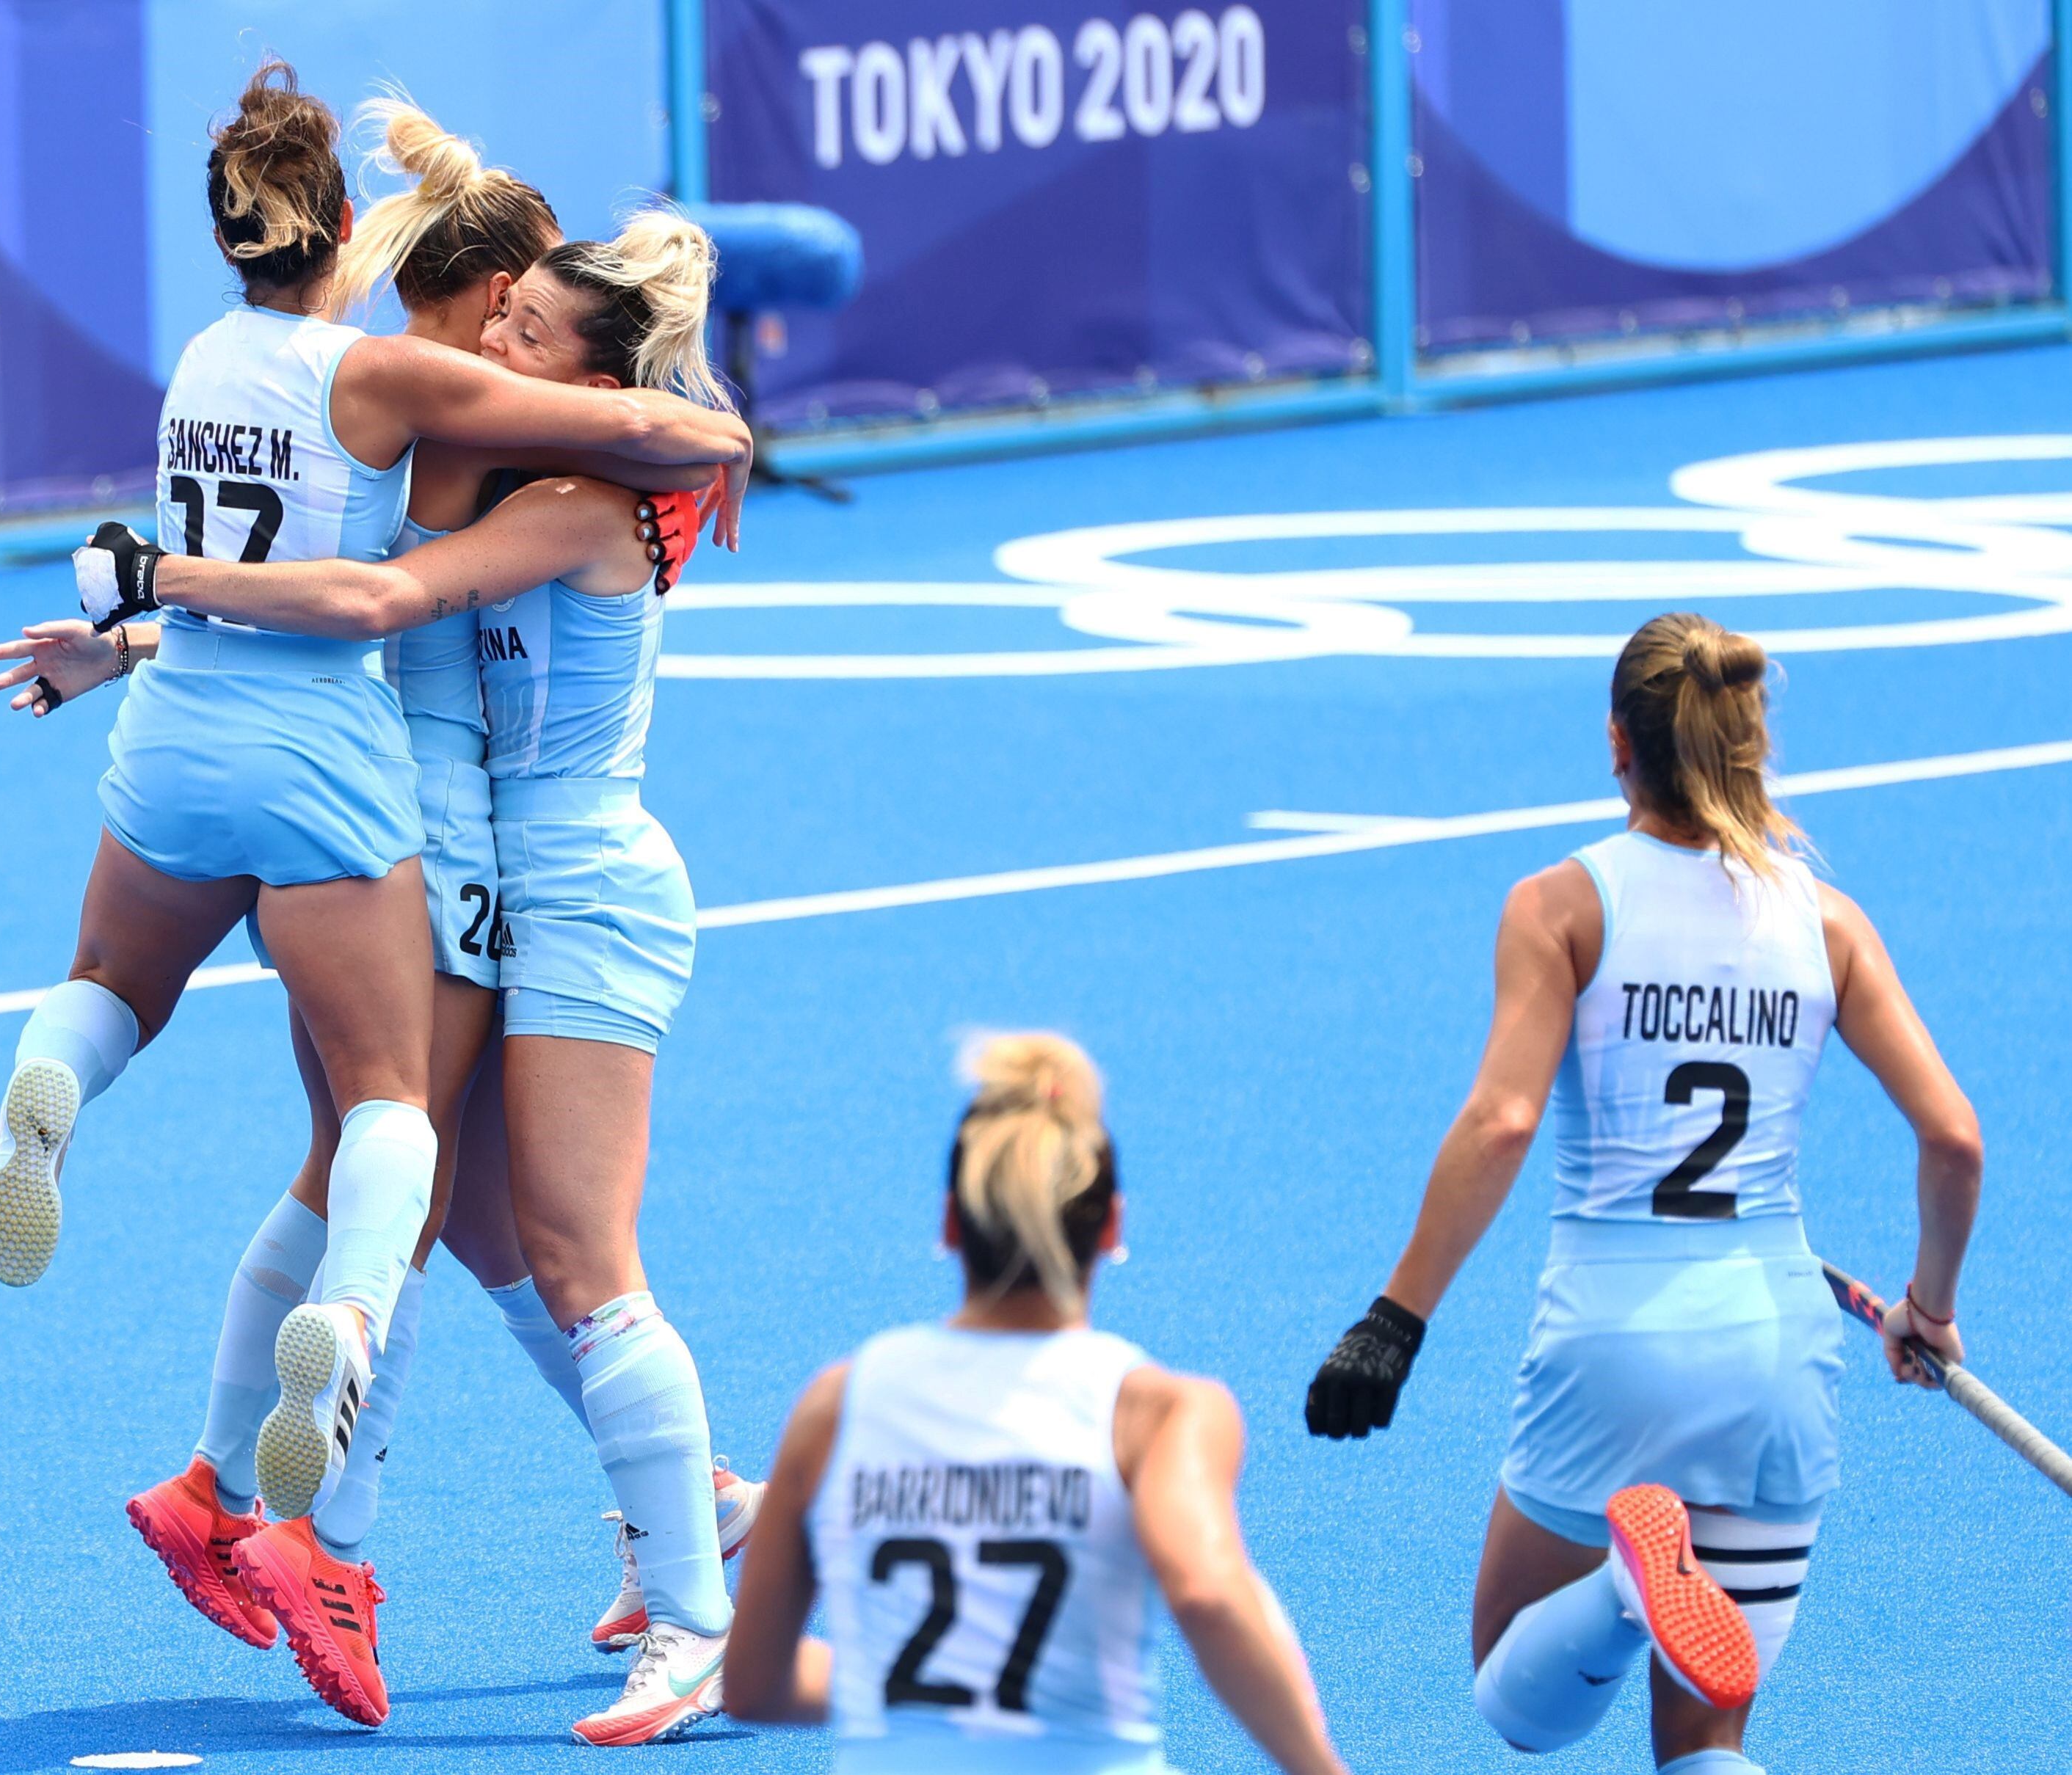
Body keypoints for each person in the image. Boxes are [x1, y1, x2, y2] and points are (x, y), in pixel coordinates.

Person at [0, 98, 756, 1729]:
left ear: (591, 370)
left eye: (537, 333)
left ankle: (348, 1537)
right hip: (436, 849)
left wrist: (153, 591)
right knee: (458, 1225)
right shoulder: (450, 450)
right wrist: (125, 642)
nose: (505, 342)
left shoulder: (563, 497)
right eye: (509, 318)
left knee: (487, 1224)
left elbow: (370, 604)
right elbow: (335, 607)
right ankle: (692, 1505)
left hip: (546, 879)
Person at [1303, 613, 1982, 1774]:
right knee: (1706, 1741)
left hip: (1615, 1340)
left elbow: (1503, 1117)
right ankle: (1653, 1603)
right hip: (1774, 1345)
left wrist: (1394, 1318)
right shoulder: (1828, 922)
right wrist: (1930, 1302)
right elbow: (1954, 1137)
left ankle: (1627, 1587)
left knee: (1519, 1694)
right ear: (1750, 746)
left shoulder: (1562, 904)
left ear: (1617, 742)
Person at [715, 1034, 1350, 1775]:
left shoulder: (837, 1405)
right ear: (1112, 1226)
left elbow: (753, 1685)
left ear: (950, 1223)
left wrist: (917, 1689)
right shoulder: (1160, 1412)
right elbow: (1209, 1593)